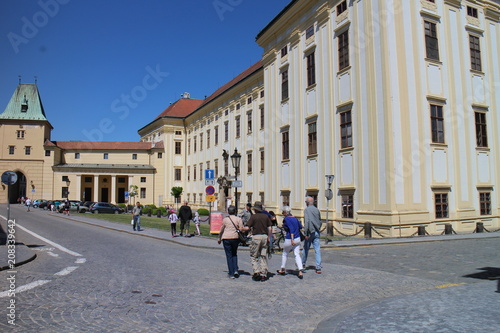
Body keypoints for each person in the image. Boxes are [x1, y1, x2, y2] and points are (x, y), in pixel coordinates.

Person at [241, 201, 272, 281]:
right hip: (264, 236)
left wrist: (242, 229)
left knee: (254, 256)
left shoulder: (253, 217)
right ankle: (263, 274)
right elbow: (270, 228)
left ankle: (256, 272)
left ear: (255, 209)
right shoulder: (266, 216)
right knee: (263, 255)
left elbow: (248, 227)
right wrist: (269, 237)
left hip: (256, 237)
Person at [276, 206, 304, 279]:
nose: (282, 213)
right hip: (298, 238)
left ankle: (282, 268)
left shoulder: (286, 219)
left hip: (290, 238)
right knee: (297, 254)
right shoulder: (295, 218)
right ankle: (300, 270)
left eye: (283, 212)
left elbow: (291, 229)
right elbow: (300, 227)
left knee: (285, 253)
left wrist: (292, 239)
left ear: (285, 212)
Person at [217, 206, 244, 279]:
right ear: (235, 211)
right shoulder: (238, 219)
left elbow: (222, 229)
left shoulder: (225, 220)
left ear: (228, 212)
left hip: (226, 238)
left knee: (229, 255)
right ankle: (235, 270)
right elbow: (242, 229)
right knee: (234, 254)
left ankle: (231, 273)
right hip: (235, 238)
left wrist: (219, 238)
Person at [302, 196, 322, 274]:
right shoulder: (317, 210)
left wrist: (306, 233)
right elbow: (320, 221)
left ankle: (303, 264)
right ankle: (318, 267)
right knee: (317, 250)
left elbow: (306, 222)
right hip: (317, 232)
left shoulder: (306, 210)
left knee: (305, 249)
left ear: (307, 203)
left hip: (310, 232)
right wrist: (318, 228)